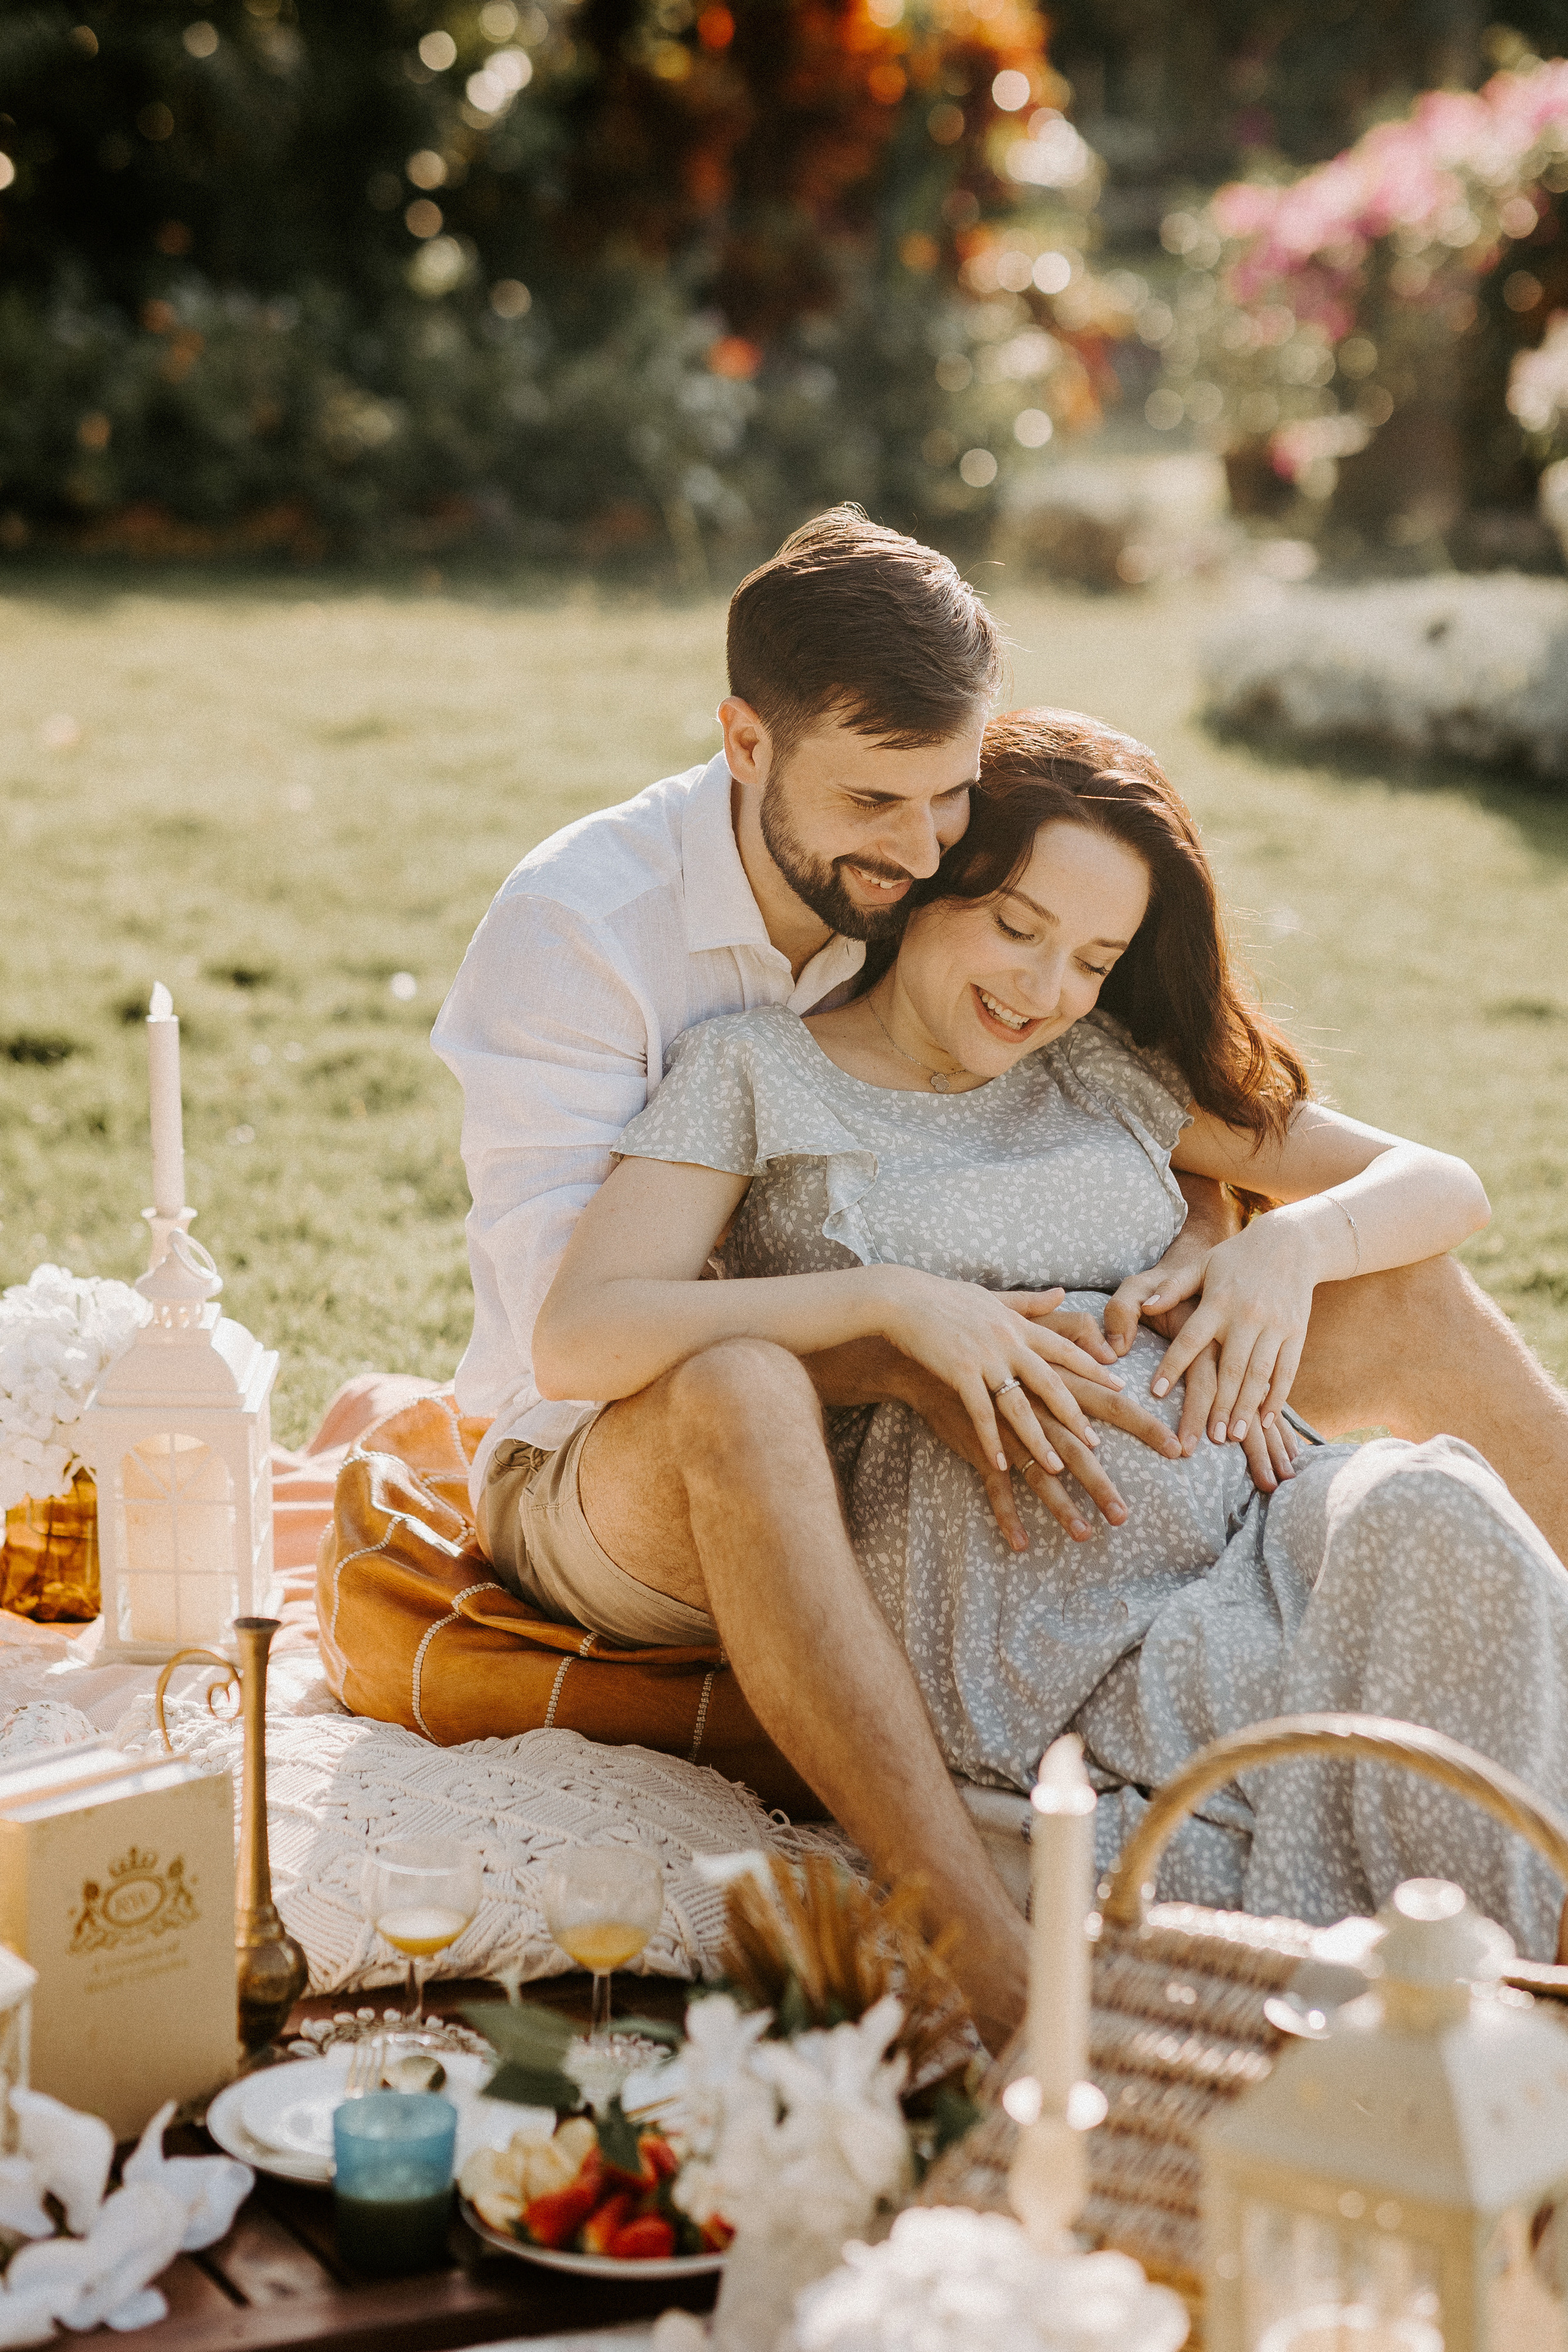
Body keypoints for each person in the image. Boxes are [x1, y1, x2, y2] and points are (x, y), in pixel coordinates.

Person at [433, 508, 1568, 2043]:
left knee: (1429, 1501)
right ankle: (985, 1957)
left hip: (1226, 1542)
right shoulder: (638, 975)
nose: (911, 851)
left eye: (945, 806)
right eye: (887, 814)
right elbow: (575, 1339)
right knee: (743, 1382)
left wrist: (1249, 1239)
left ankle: (1486, 2013)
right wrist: (893, 1306)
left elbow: (1416, 1178)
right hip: (707, 1483)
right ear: (746, 748)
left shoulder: (1062, 1031)